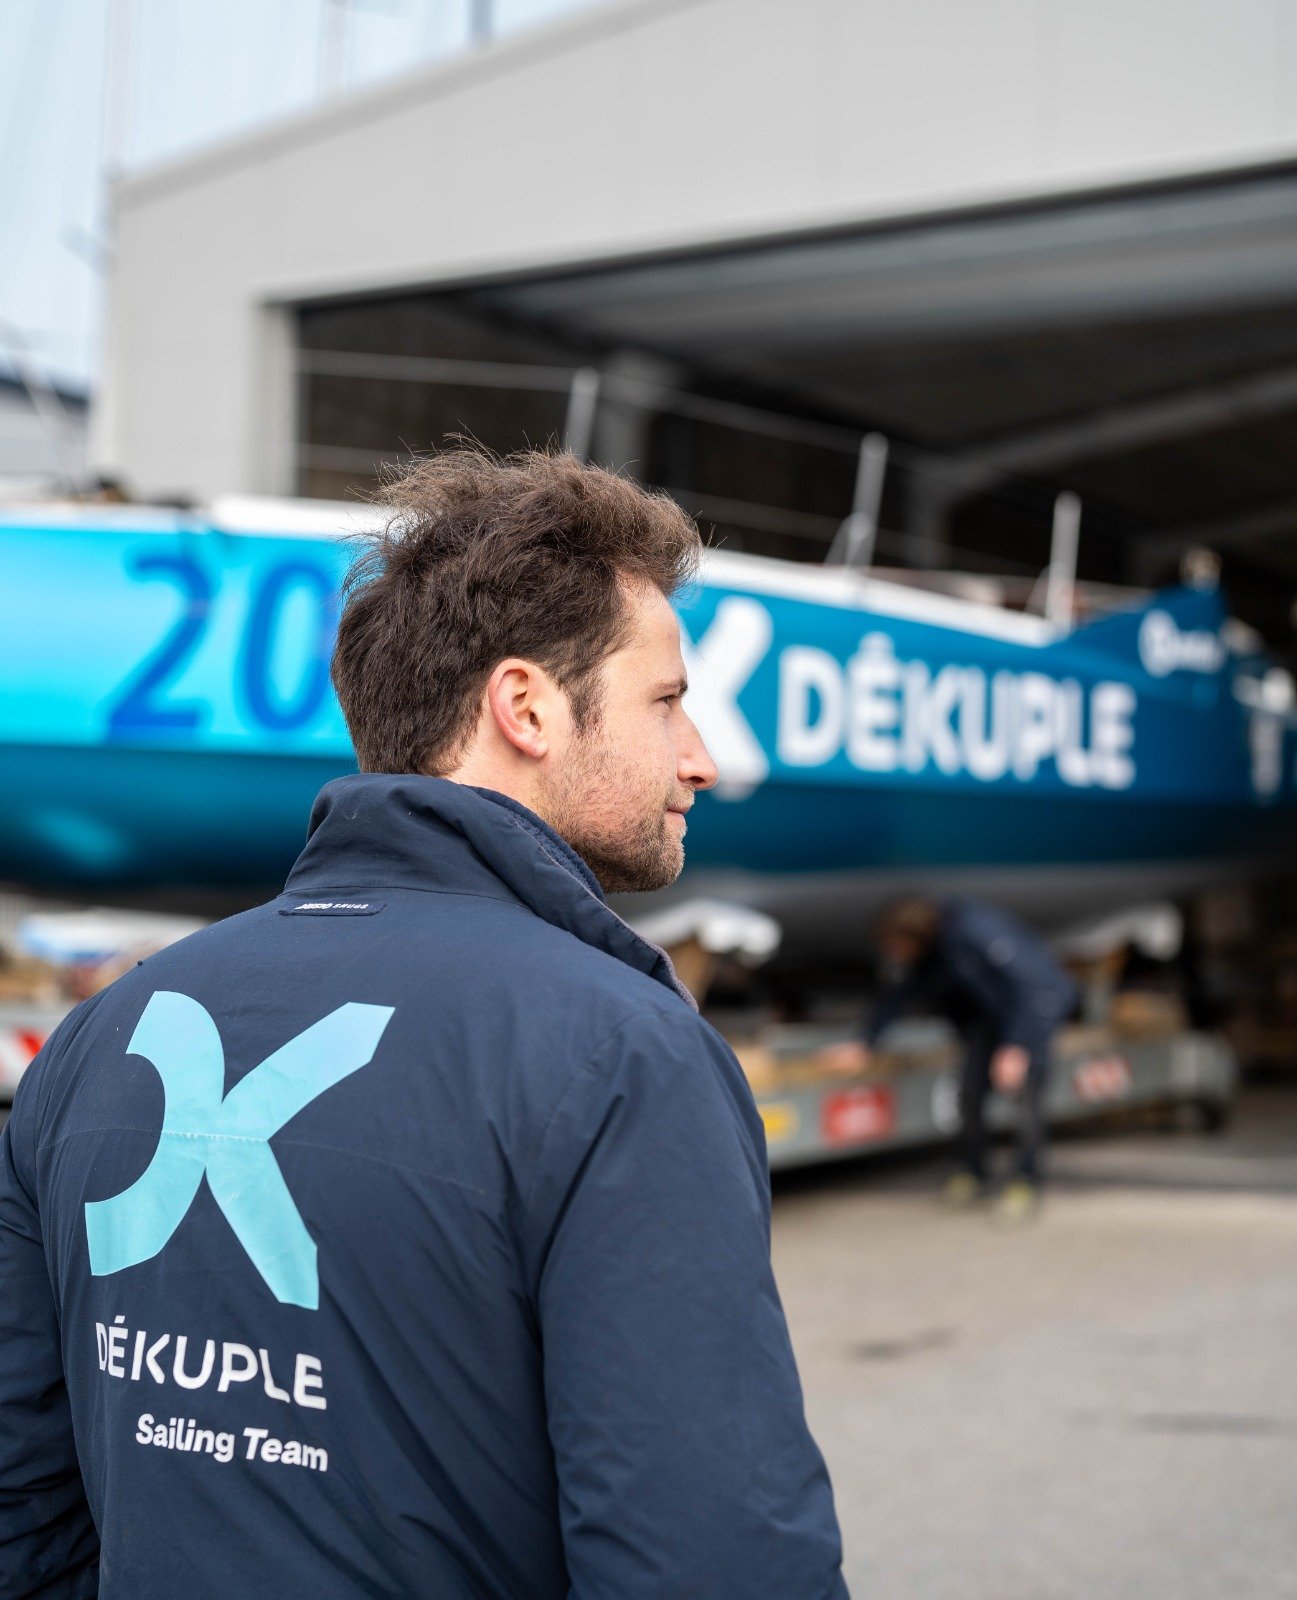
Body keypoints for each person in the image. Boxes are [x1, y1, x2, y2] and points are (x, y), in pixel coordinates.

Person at [0, 449, 848, 1599]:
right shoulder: (617, 1056)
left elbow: (24, 1503)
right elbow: (709, 1560)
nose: (698, 759)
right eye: (666, 701)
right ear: (526, 707)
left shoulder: (102, 1038)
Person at [824, 896, 1077, 1219]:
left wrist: (1018, 1046)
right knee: (969, 1095)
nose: (891, 953)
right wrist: (865, 1042)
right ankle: (973, 1171)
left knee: (1025, 1102)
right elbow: (898, 994)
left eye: (894, 944)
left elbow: (1034, 986)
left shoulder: (976, 933)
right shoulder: (930, 951)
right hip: (985, 1021)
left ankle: (1024, 1180)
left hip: (1027, 1015)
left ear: (913, 934)